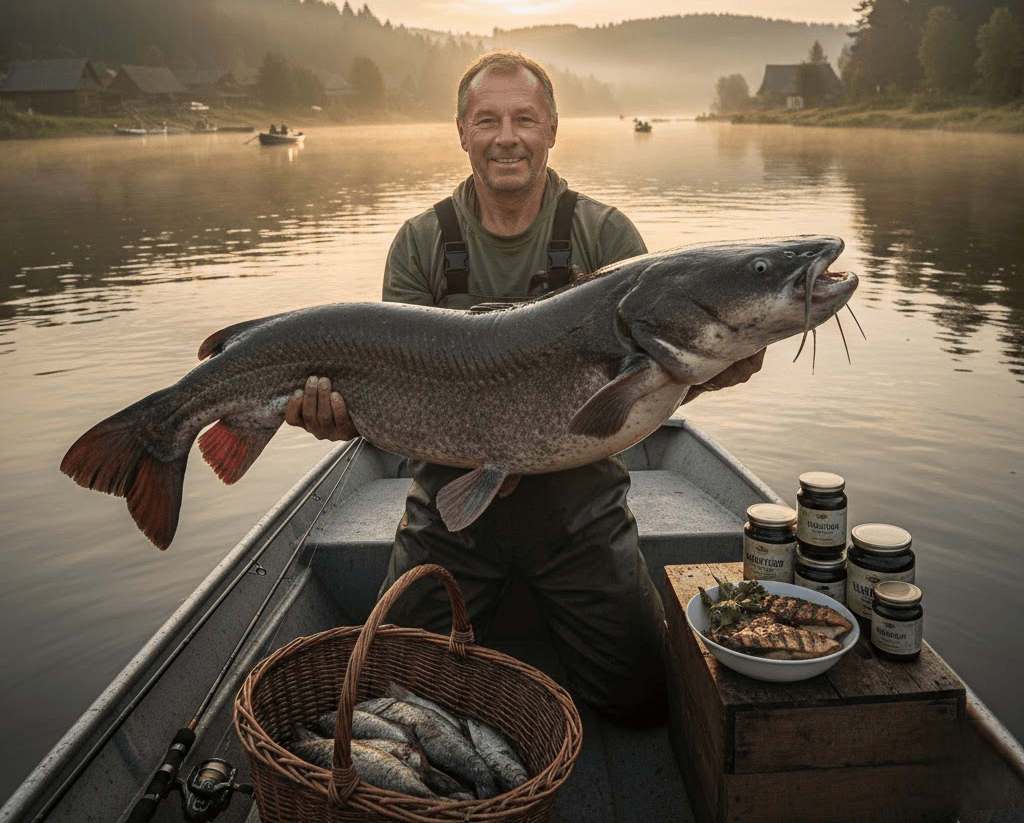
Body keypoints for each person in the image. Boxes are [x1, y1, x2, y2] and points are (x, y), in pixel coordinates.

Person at [285, 50, 764, 726]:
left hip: (582, 509)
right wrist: (344, 416)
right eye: (487, 120)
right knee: (396, 700)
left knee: (641, 703)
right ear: (462, 132)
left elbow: (645, 383)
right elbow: (393, 394)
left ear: (552, 129)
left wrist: (709, 373)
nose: (506, 137)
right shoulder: (421, 243)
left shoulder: (605, 235)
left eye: (524, 119)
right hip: (449, 509)